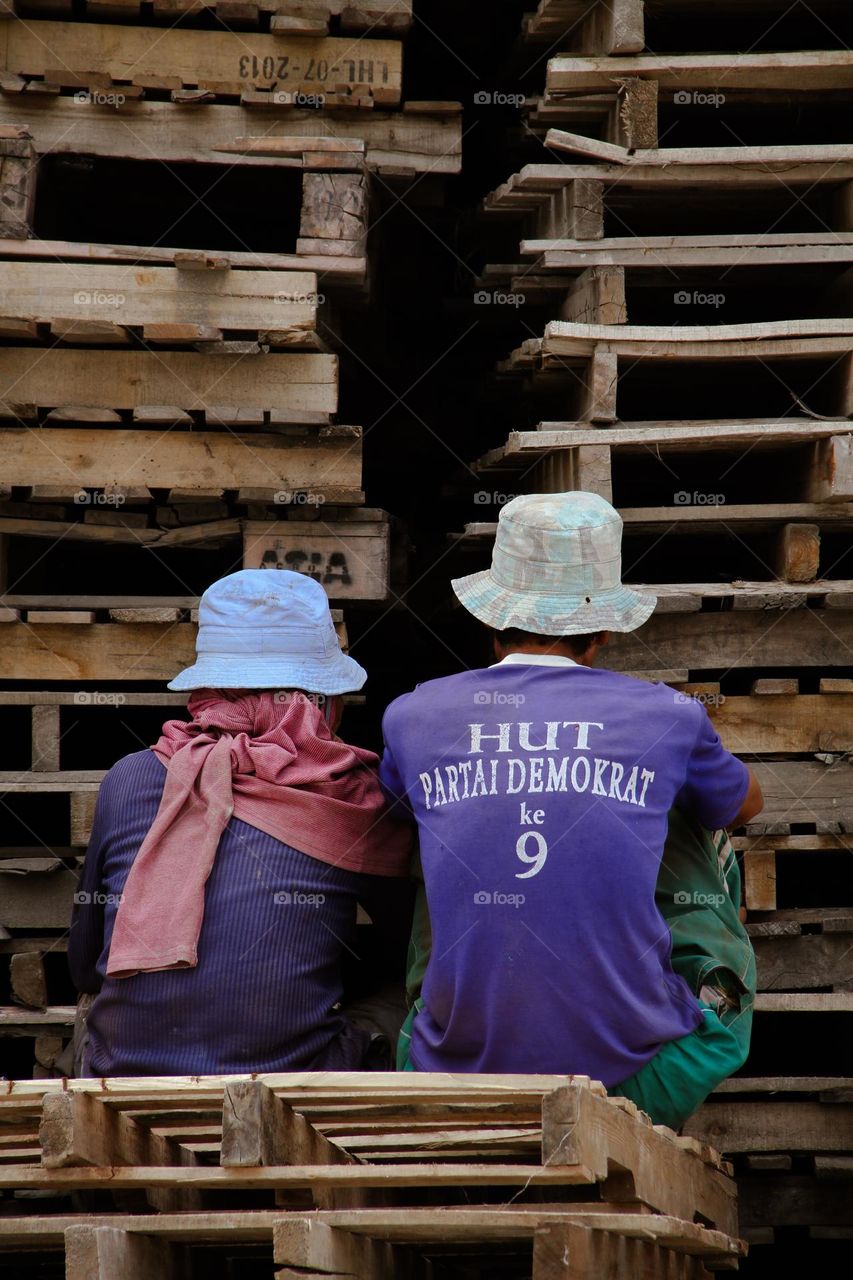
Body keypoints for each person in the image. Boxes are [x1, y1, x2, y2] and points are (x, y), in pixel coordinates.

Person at [380, 492, 762, 1130]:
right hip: (633, 1075)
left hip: (450, 1065)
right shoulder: (667, 715)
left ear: (490, 623)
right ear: (604, 633)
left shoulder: (412, 714)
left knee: (442, 830)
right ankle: (672, 1034)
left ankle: (452, 1026)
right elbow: (740, 807)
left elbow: (396, 804)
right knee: (696, 831)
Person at [69, 570, 412, 1075]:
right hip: (291, 1079)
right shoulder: (351, 793)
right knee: (406, 1001)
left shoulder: (128, 778)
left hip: (122, 1072)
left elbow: (83, 964)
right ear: (321, 702)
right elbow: (413, 949)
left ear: (208, 689)